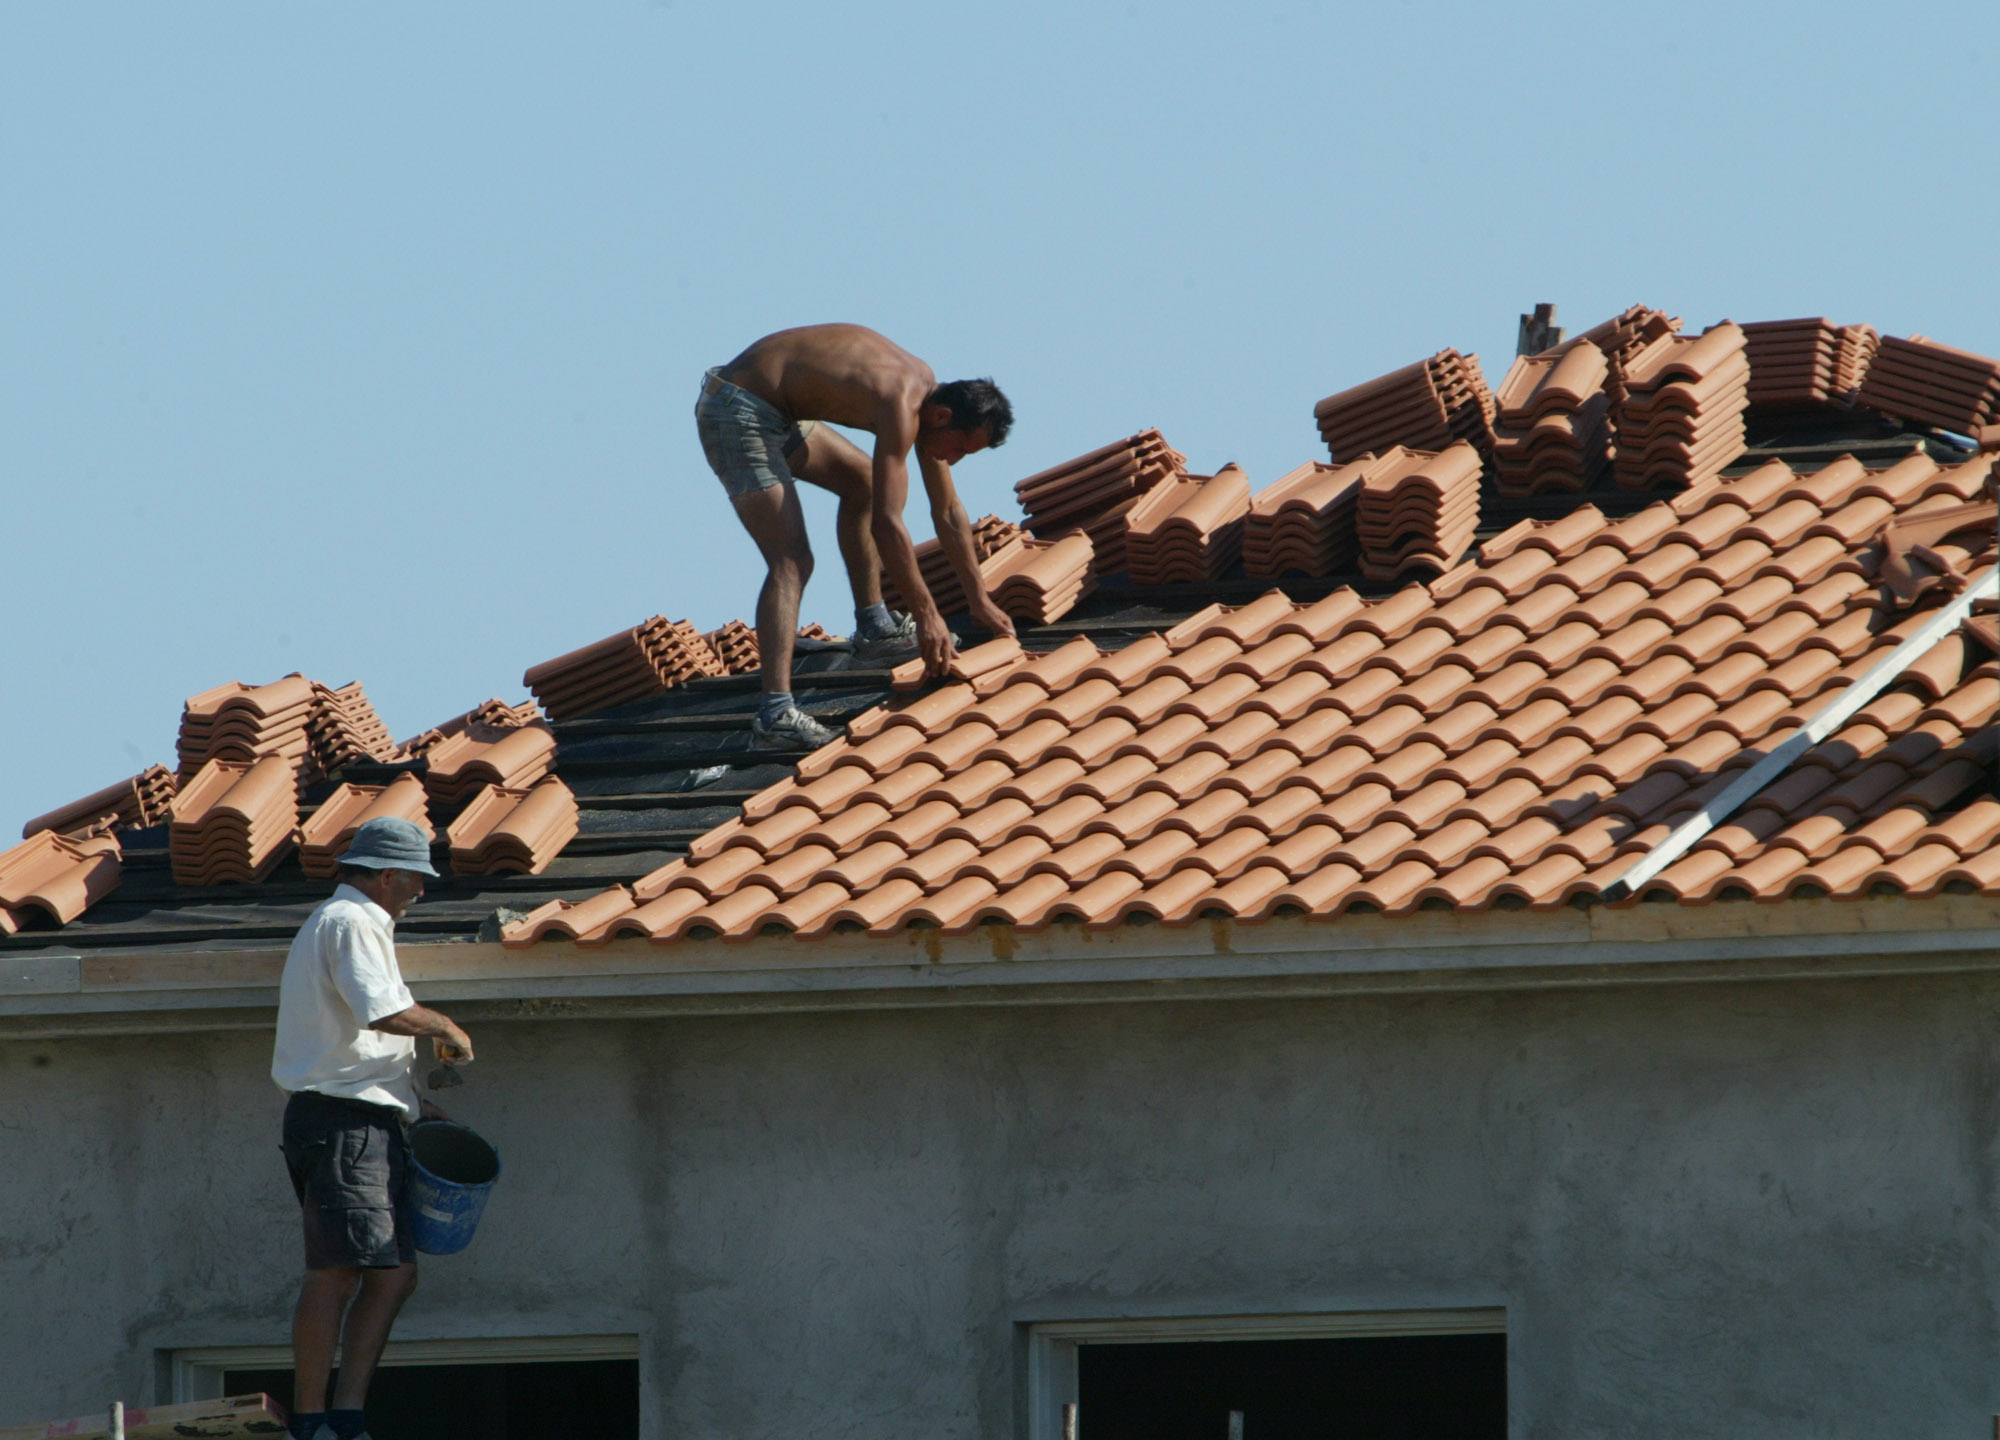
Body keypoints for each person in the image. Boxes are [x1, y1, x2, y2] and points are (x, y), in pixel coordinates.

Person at [695, 323, 1018, 748]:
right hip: (738, 409)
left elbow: (948, 510)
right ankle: (775, 714)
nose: (953, 460)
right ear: (943, 418)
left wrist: (979, 599)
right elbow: (888, 524)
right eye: (958, 448)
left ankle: (875, 629)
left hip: (781, 411)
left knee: (864, 483)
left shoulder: (931, 404)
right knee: (792, 560)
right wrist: (927, 616)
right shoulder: (903, 404)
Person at [270, 816, 473, 1440]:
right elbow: (381, 1011)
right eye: (415, 879)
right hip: (341, 1122)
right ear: (386, 876)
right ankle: (313, 1422)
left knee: (391, 1273)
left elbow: (354, 1037)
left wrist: (409, 1104)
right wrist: (447, 1029)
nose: (421, 891)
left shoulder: (353, 922)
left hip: (357, 1118)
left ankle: (345, 1415)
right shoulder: (351, 922)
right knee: (337, 1271)